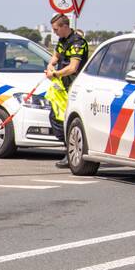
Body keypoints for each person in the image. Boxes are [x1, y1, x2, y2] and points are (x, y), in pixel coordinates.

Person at [44, 13, 89, 168]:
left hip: (74, 87)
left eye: (56, 29)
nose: (55, 32)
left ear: (64, 26)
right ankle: (69, 150)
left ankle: (71, 153)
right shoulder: (62, 40)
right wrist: (50, 65)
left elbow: (73, 67)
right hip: (62, 88)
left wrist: (55, 73)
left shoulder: (77, 42)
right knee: (56, 119)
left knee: (68, 120)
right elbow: (55, 57)